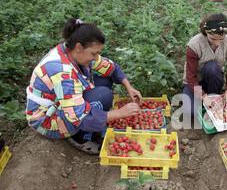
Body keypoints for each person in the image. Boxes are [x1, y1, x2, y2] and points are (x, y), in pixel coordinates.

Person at [25, 18, 142, 154]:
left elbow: (110, 67)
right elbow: (79, 117)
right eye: (94, 53)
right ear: (79, 47)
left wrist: (129, 87)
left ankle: (95, 121)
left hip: (63, 103)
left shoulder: (71, 51)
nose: (96, 57)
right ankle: (80, 137)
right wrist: (120, 113)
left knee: (104, 79)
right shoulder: (62, 71)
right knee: (103, 95)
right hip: (47, 120)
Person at [182, 13, 227, 117]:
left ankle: (213, 95)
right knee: (191, 112)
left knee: (211, 67)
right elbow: (191, 77)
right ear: (206, 32)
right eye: (213, 39)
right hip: (193, 83)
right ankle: (206, 100)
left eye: (221, 39)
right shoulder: (194, 45)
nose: (217, 43)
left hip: (213, 79)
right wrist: (203, 96)